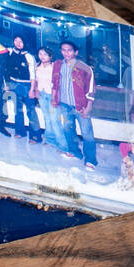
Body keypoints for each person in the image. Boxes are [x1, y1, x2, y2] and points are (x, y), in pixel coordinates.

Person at [52, 40, 97, 170]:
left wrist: (88, 107)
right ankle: (74, 152)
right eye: (63, 50)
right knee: (68, 129)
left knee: (86, 133)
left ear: (75, 52)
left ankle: (91, 160)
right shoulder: (58, 64)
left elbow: (91, 89)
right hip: (64, 105)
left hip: (80, 106)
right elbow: (55, 82)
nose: (66, 53)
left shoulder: (85, 68)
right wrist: (54, 98)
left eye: (69, 50)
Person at [5, 35, 40, 142]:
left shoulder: (29, 56)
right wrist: (7, 84)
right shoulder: (10, 52)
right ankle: (20, 131)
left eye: (21, 41)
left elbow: (33, 74)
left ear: (25, 43)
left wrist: (32, 89)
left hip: (26, 86)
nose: (18, 43)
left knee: (31, 111)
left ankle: (35, 136)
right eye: (16, 41)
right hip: (13, 84)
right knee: (17, 110)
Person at [33, 46, 65, 153]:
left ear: (50, 56)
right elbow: (36, 79)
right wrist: (36, 90)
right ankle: (49, 139)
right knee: (47, 117)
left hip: (52, 95)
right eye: (40, 54)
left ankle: (62, 145)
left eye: (45, 54)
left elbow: (58, 83)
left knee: (55, 120)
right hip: (42, 95)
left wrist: (55, 97)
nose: (42, 56)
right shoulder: (37, 66)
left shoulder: (55, 67)